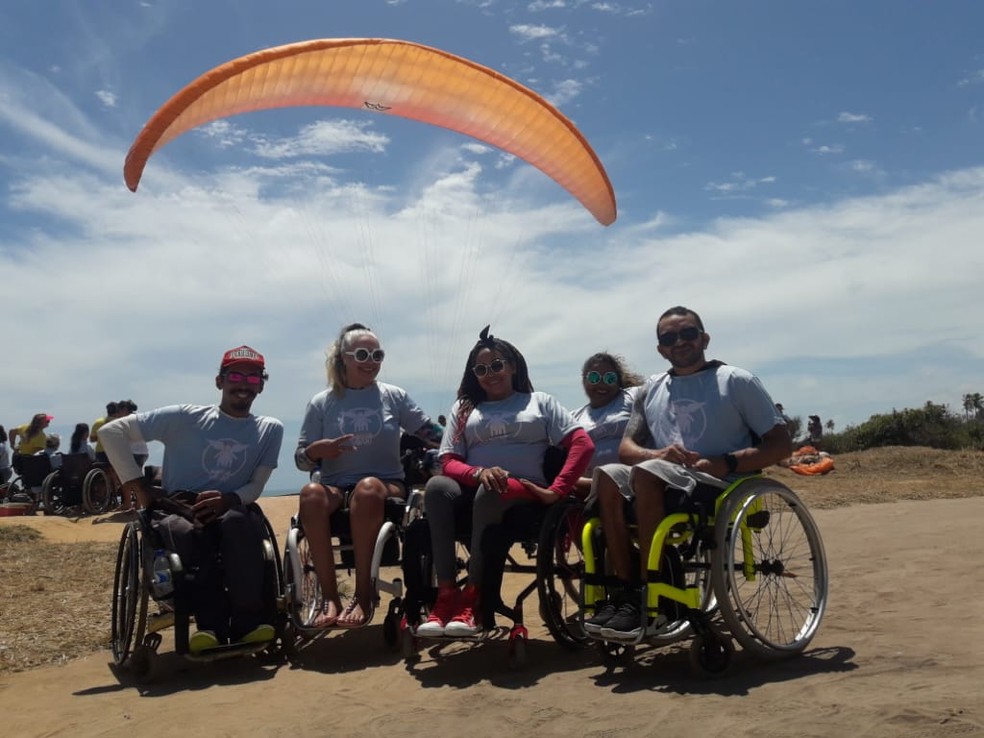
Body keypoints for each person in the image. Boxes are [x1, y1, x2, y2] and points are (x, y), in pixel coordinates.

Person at [584, 306, 791, 638]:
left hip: (718, 480)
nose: (678, 342)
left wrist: (727, 462)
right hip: (662, 471)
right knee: (608, 475)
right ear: (660, 348)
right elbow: (627, 449)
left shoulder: (736, 381)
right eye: (668, 337)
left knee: (648, 474)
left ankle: (657, 594)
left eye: (688, 334)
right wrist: (659, 453)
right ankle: (628, 594)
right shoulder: (650, 389)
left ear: (704, 338)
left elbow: (781, 444)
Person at [99, 345, 284, 654]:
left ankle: (248, 623)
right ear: (219, 381)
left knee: (240, 524)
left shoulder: (270, 430)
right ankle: (210, 626)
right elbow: (111, 432)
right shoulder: (185, 417)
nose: (244, 385)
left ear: (261, 385)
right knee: (189, 534)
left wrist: (228, 500)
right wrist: (137, 487)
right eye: (236, 376)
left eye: (253, 379)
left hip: (231, 504)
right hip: (178, 504)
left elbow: (256, 486)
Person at [415, 326, 594, 638]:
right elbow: (447, 461)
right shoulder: (464, 408)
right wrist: (478, 472)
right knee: (435, 488)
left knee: (491, 488)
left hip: (525, 490)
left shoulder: (540, 402)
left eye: (497, 365)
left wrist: (558, 490)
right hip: (476, 486)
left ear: (512, 366)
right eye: (481, 369)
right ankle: (445, 596)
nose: (490, 374)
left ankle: (472, 598)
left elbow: (582, 444)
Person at [295, 323, 441, 629]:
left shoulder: (393, 396)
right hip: (336, 486)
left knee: (367, 488)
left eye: (378, 354)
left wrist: (465, 436)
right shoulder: (322, 402)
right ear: (343, 358)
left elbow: (430, 432)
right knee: (310, 494)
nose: (371, 360)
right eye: (362, 353)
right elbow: (300, 458)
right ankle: (329, 598)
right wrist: (315, 452)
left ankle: (363, 595)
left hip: (385, 484)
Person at [571, 352, 646, 497]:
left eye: (609, 378)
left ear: (618, 380)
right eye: (594, 378)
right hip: (588, 482)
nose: (601, 384)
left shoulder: (632, 396)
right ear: (584, 380)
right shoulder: (574, 417)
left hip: (630, 477)